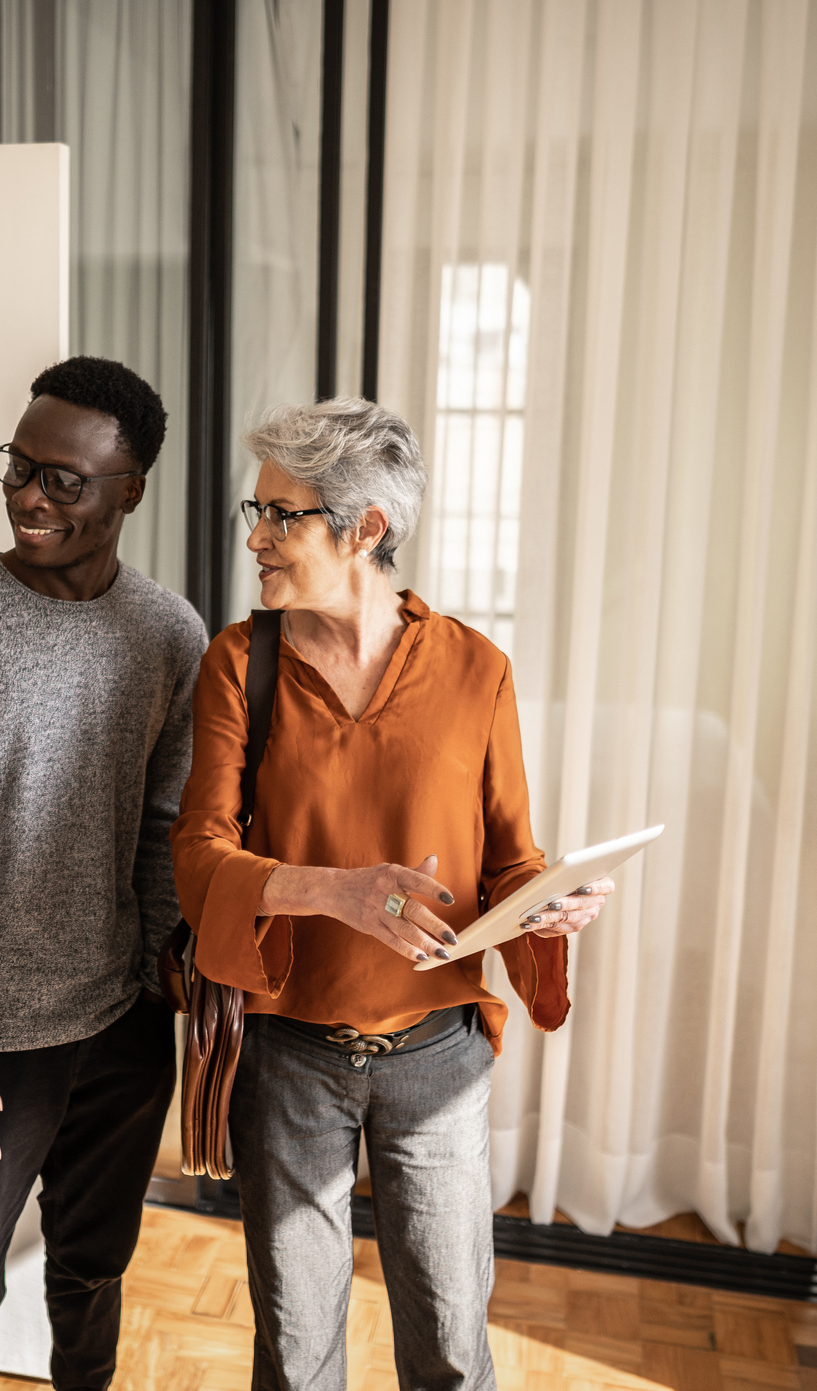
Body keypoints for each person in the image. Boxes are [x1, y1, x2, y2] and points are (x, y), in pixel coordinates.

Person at [169, 399, 612, 1391]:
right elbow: (197, 861)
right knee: (296, 1356)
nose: (257, 536)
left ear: (364, 528)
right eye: (259, 509)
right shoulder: (240, 665)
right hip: (286, 1058)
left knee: (453, 1352)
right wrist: (336, 890)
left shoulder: (474, 670)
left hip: (438, 1062)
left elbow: (508, 859)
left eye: (282, 515)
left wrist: (544, 900)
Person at [0, 356, 208, 1390]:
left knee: (93, 1274)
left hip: (120, 1029)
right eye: (19, 466)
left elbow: (164, 821)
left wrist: (159, 972)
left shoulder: (169, 633)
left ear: (130, 490)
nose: (29, 493)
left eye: (63, 478)